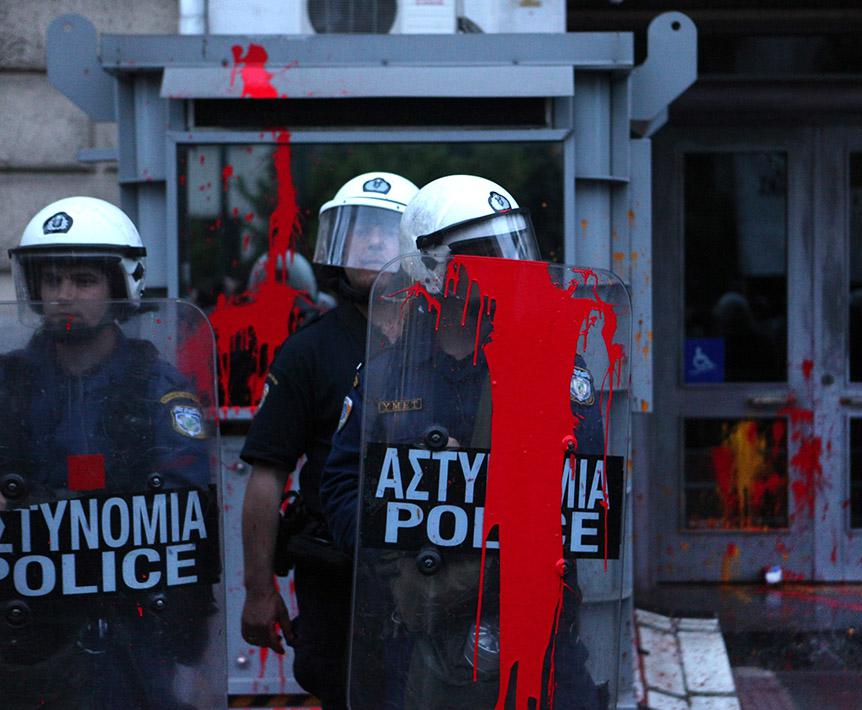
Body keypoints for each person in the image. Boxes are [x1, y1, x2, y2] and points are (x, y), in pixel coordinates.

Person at [321, 175, 603, 709]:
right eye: (483, 255)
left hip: (535, 633)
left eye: (510, 250)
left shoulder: (551, 364)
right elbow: (339, 491)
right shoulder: (389, 372)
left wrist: (473, 474)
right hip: (421, 628)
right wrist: (405, 517)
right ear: (429, 266)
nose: (508, 269)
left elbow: (587, 488)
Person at [0, 196, 215, 708]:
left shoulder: (156, 387)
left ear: (122, 285)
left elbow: (181, 504)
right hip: (26, 624)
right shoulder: (9, 383)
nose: (63, 295)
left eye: (83, 280)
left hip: (129, 627)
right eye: (50, 281)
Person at [238, 171, 418, 709]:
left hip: (433, 575)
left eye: (387, 232)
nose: (371, 244)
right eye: (358, 231)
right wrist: (259, 591)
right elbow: (267, 476)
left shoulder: (449, 339)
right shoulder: (308, 352)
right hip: (337, 578)